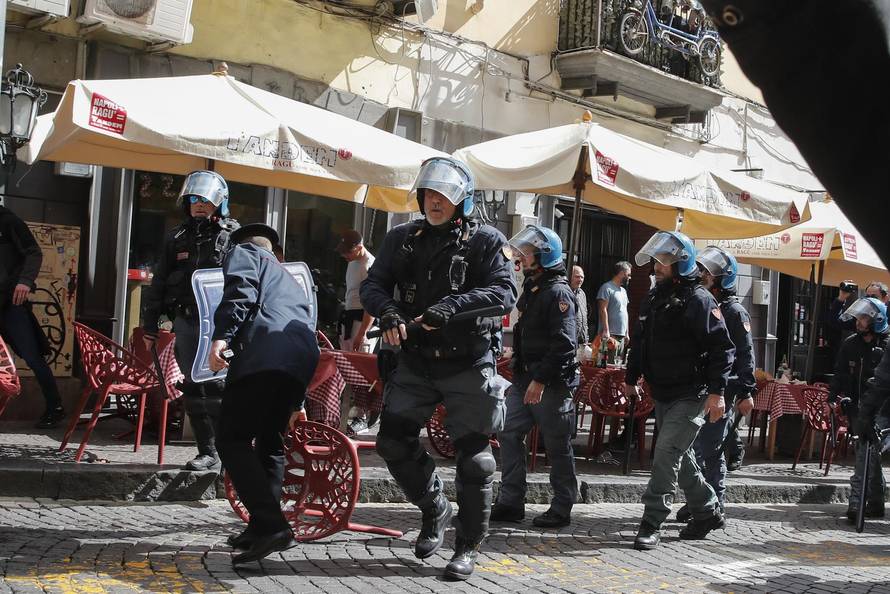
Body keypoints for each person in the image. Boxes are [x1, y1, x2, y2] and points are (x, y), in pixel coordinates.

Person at [360, 156, 516, 580]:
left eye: (443, 194)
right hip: (415, 361)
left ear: (461, 199)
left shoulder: (487, 240)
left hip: (467, 363)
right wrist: (388, 312)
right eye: (428, 194)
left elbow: (505, 293)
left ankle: (467, 547)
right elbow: (371, 284)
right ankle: (434, 508)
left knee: (475, 461)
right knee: (392, 442)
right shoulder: (401, 238)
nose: (434, 201)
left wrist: (451, 308)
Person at [208, 223, 320, 565]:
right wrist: (298, 399)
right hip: (301, 357)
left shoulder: (244, 253)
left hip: (264, 352)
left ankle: (273, 525)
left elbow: (241, 290)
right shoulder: (289, 277)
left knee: (231, 440)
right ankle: (260, 527)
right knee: (270, 442)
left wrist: (222, 336)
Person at [625, 231, 735, 550]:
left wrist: (718, 393)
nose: (657, 266)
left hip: (692, 393)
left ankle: (652, 521)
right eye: (657, 260)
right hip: (662, 391)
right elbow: (640, 344)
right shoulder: (653, 298)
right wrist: (631, 378)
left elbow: (723, 349)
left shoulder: (700, 300)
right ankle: (706, 510)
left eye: (664, 260)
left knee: (665, 453)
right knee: (678, 454)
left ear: (681, 263)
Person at [142, 170, 239, 471]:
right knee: (194, 386)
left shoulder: (234, 236)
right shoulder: (177, 237)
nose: (199, 204)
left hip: (223, 326)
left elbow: (246, 284)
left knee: (222, 388)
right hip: (187, 322)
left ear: (219, 202)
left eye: (205, 199)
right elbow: (158, 284)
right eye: (194, 199)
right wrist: (150, 326)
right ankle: (207, 451)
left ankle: (232, 452)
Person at [491, 225, 579, 528]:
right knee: (508, 431)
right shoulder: (534, 288)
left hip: (551, 383)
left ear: (544, 256)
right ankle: (511, 501)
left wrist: (540, 380)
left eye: (528, 253)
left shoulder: (558, 293)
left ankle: (562, 505)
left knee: (557, 444)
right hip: (525, 378)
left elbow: (565, 344)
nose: (522, 257)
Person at [675, 246, 755, 522]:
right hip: (700, 387)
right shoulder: (703, 303)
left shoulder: (734, 312)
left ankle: (715, 502)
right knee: (695, 448)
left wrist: (746, 390)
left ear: (723, 278)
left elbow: (745, 355)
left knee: (712, 450)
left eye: (709, 273)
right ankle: (698, 499)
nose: (703, 275)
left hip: (723, 389)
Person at [827, 297, 890, 522]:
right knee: (867, 454)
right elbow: (840, 371)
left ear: (877, 320)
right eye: (858, 317)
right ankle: (874, 504)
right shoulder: (851, 344)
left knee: (866, 453)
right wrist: (833, 397)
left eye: (864, 317)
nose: (859, 321)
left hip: (883, 410)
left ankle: (856, 504)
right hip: (860, 407)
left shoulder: (886, 345)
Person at [0, 205, 63, 428]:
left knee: (32, 356)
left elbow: (34, 252)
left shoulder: (9, 221)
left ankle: (55, 406)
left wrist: (25, 282)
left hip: (11, 304)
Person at [336, 229, 379, 435]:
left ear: (360, 248)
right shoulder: (352, 263)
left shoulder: (369, 265)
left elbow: (372, 303)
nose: (344, 256)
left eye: (348, 252)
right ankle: (347, 411)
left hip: (363, 321)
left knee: (363, 371)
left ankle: (363, 415)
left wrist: (363, 332)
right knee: (348, 368)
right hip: (349, 317)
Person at [597, 261, 631, 362]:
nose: (630, 277)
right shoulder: (606, 288)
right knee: (606, 365)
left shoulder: (624, 291)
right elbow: (602, 309)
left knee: (617, 365)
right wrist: (606, 330)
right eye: (628, 274)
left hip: (621, 336)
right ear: (621, 273)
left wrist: (627, 333)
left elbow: (625, 312)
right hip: (609, 335)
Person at [570, 265, 589, 347]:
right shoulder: (564, 293)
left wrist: (586, 338)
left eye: (582, 277)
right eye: (577, 277)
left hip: (581, 342)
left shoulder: (582, 293)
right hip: (570, 340)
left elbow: (584, 317)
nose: (580, 280)